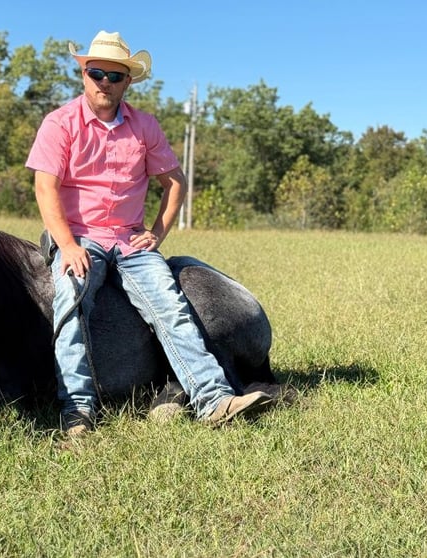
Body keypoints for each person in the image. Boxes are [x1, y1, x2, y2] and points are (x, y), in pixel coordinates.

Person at [26, 30, 274, 436]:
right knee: (70, 304)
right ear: (83, 75)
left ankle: (214, 399)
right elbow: (45, 186)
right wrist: (67, 245)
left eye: (114, 75)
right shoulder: (60, 123)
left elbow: (174, 183)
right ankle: (78, 412)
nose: (104, 81)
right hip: (79, 236)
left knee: (172, 307)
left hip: (129, 239)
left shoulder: (144, 127)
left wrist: (157, 233)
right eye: (96, 72)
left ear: (128, 81)